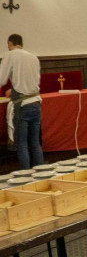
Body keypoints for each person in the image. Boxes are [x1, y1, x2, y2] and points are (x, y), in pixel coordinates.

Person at [0, 34, 43, 169]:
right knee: (35, 143)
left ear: (10, 43)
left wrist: (14, 88)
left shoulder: (10, 55)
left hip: (22, 105)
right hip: (36, 102)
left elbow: (1, 79)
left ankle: (25, 179)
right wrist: (14, 88)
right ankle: (42, 175)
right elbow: (31, 82)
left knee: (22, 144)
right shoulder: (33, 57)